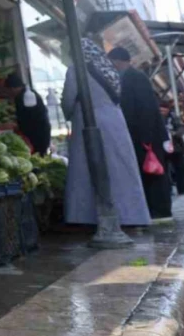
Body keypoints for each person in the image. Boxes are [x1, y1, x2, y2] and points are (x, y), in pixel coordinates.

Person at [62, 38, 150, 227]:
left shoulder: (76, 70)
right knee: (120, 168)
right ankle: (132, 217)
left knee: (87, 169)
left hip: (88, 120)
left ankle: (87, 218)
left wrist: (68, 113)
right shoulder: (108, 68)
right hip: (116, 123)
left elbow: (69, 99)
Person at [108, 47, 172, 219]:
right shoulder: (130, 77)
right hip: (142, 136)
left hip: (146, 137)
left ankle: (160, 211)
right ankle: (155, 210)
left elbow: (147, 109)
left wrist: (146, 138)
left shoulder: (135, 78)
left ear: (117, 61)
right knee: (149, 172)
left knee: (153, 172)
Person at [5, 72, 52, 155]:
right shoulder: (29, 92)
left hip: (37, 133)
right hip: (42, 130)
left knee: (38, 155)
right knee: (40, 155)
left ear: (12, 88)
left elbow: (26, 118)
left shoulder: (22, 97)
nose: (9, 93)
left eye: (9, 90)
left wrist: (14, 125)